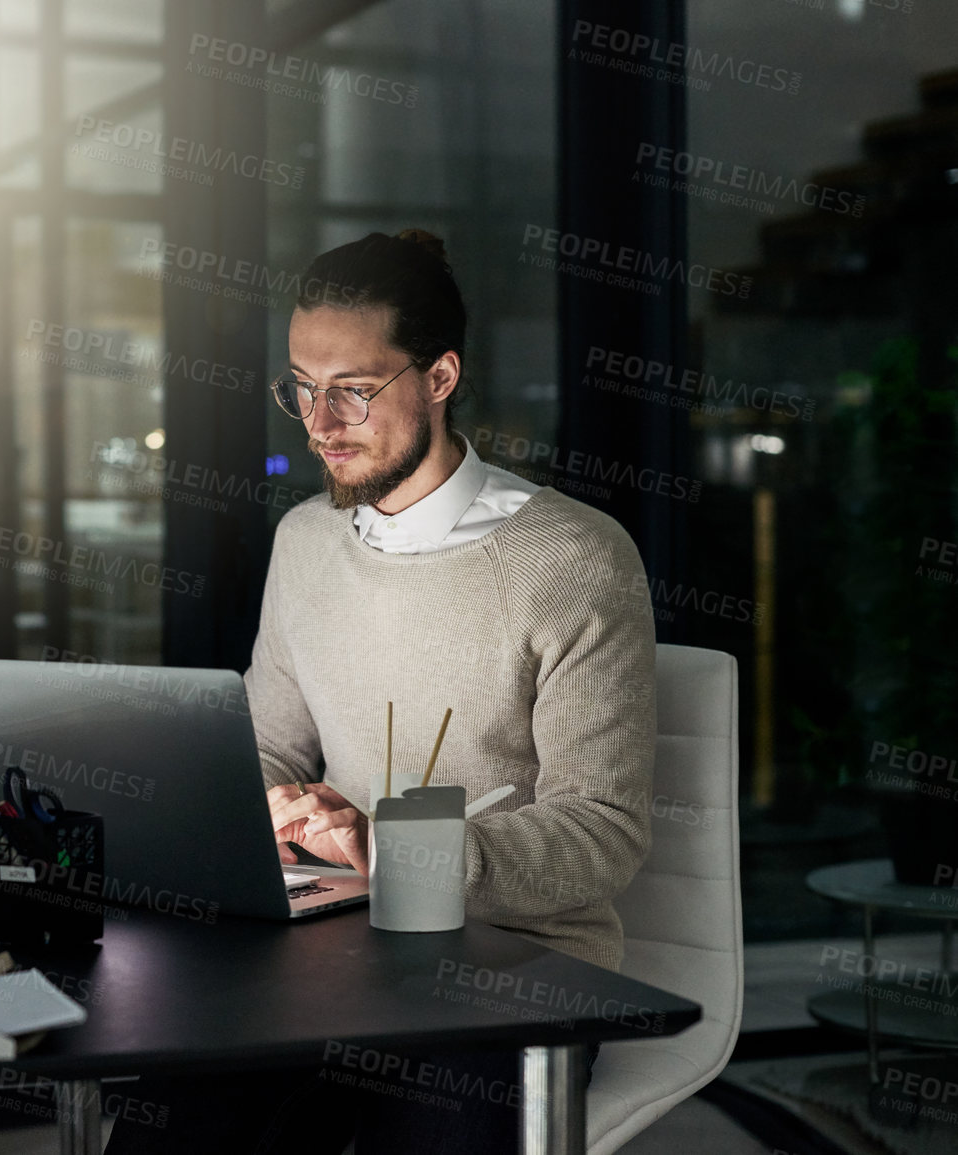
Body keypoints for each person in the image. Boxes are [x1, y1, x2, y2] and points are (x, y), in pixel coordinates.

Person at [106, 230, 656, 1153]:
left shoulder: (572, 560)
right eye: (301, 387)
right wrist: (264, 808)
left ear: (438, 378)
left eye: (353, 390)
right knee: (179, 1109)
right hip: (334, 941)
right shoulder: (307, 542)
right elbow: (268, 742)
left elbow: (601, 829)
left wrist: (389, 848)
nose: (320, 422)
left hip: (515, 965)